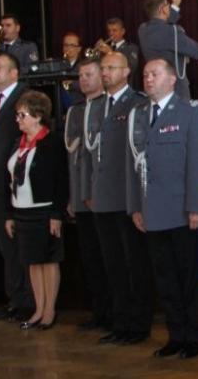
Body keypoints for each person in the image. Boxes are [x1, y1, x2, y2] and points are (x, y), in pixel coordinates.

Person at [126, 58, 198, 359]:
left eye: (155, 74)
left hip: (182, 212)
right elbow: (134, 166)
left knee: (189, 278)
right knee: (165, 279)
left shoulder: (188, 113)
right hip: (152, 213)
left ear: (172, 80)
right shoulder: (139, 115)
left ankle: (194, 337)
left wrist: (196, 208)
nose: (148, 79)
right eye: (146, 75)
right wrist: (135, 206)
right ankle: (176, 335)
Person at [83, 51, 152, 346]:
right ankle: (120, 321)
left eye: (111, 67)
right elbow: (91, 153)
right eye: (103, 68)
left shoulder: (137, 103)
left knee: (133, 264)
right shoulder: (97, 106)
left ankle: (138, 324)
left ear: (126, 71)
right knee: (112, 264)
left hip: (126, 197)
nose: (105, 72)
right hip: (103, 197)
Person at [4, 91, 67, 330]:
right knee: (31, 261)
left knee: (48, 261)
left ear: (38, 116)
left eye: (23, 115)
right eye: (18, 115)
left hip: (44, 210)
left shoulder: (51, 142)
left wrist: (56, 213)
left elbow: (59, 181)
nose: (18, 120)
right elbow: (9, 179)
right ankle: (38, 308)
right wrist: (10, 214)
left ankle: (50, 309)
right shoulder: (18, 143)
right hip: (22, 210)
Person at [0, 52, 35, 321]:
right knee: (6, 247)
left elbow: (23, 139)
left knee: (21, 245)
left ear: (15, 73)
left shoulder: (25, 97)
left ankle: (29, 301)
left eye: (0, 67)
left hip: (16, 183)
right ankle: (15, 299)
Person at [64, 59, 110, 331]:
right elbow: (73, 160)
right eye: (80, 75)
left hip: (103, 198)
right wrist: (74, 196)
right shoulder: (75, 111)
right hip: (81, 198)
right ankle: (99, 311)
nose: (83, 79)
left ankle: (115, 312)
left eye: (89, 74)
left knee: (109, 260)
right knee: (90, 260)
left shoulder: (109, 106)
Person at [137, 0, 198, 100]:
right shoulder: (171, 32)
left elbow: (163, 24)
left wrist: (175, 5)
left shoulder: (143, 29)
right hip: (175, 91)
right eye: (167, 5)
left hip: (155, 89)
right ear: (161, 9)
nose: (169, 7)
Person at [96, 18, 140, 86]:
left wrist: (110, 52)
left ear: (122, 31)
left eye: (114, 30)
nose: (111, 33)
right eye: (109, 31)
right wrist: (97, 54)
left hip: (123, 86)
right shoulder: (105, 48)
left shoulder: (131, 48)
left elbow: (131, 68)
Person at [61, 32, 84, 108]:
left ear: (79, 49)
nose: (68, 48)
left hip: (79, 105)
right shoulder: (58, 65)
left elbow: (88, 84)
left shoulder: (84, 65)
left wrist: (71, 84)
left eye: (72, 45)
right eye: (66, 45)